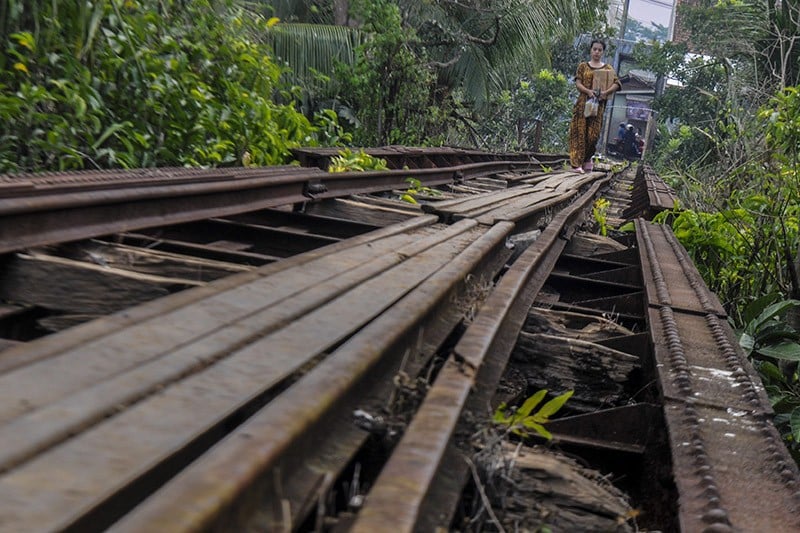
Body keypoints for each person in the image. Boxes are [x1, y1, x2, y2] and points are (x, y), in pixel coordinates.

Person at [569, 39, 621, 173]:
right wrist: (588, 92)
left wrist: (605, 93)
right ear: (591, 50)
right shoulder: (583, 66)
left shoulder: (608, 68)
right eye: (594, 49)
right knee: (579, 133)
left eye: (599, 50)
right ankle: (576, 164)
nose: (597, 52)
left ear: (603, 52)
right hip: (582, 105)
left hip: (598, 107)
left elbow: (616, 83)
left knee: (593, 135)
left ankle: (587, 158)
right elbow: (578, 83)